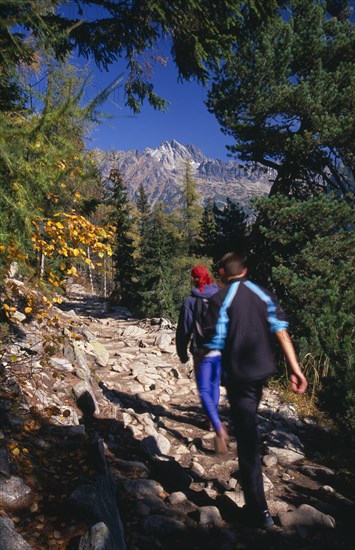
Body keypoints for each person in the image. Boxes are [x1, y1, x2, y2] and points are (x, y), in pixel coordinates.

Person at [201, 252, 308, 529]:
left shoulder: (218, 300)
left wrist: (208, 394)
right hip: (261, 373)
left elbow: (214, 344)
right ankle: (255, 502)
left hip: (238, 377)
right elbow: (281, 331)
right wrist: (296, 369)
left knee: (248, 439)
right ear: (245, 271)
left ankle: (259, 511)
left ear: (222, 274)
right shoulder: (263, 294)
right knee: (249, 429)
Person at [175, 265, 228, 453]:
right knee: (214, 386)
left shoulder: (190, 301)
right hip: (221, 350)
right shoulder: (221, 296)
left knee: (204, 389)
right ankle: (209, 418)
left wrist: (181, 351)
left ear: (193, 279)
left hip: (202, 352)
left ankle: (218, 427)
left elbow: (184, 329)